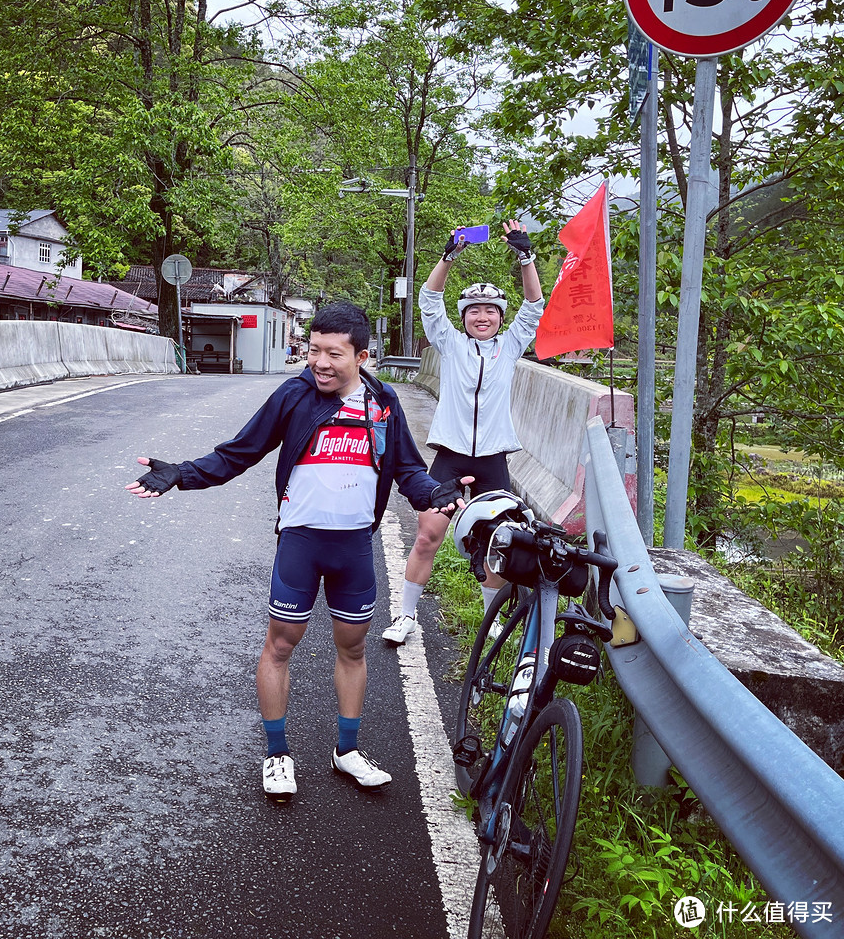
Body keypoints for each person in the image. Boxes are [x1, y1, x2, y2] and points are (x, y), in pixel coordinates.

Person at [126, 301, 470, 800]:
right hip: (301, 545)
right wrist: (182, 473)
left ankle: (346, 750)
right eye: (313, 350)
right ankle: (276, 754)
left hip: (354, 547)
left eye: (334, 354)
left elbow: (407, 469)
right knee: (281, 644)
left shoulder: (383, 402)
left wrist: (434, 493)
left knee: (352, 648)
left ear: (363, 356)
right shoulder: (294, 395)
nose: (320, 363)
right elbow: (238, 452)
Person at [381, 220, 544, 645]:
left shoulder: (510, 347)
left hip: (493, 460)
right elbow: (429, 300)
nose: (483, 316)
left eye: (490, 311)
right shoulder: (450, 344)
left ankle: (492, 632)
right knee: (428, 534)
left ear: (499, 318)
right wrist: (448, 255)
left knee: (498, 542)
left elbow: (534, 307)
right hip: (451, 456)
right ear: (465, 317)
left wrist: (526, 258)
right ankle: (405, 616)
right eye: (474, 310)